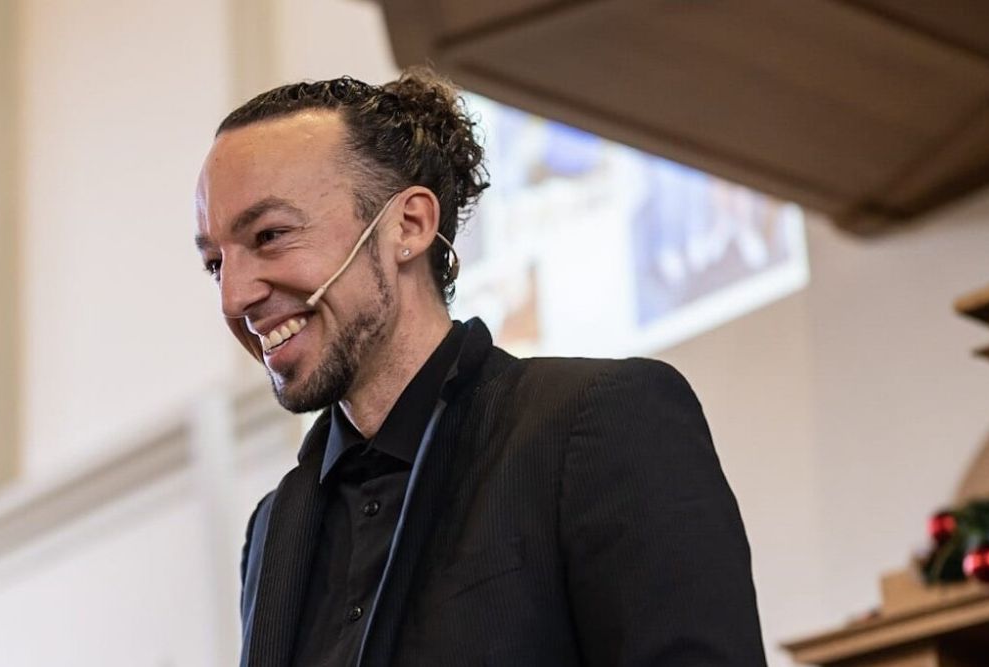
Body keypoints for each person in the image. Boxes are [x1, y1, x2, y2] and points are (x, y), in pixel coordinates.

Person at [192, 69, 765, 666]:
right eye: (214, 264)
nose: (234, 297)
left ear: (409, 225)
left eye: (270, 235)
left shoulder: (599, 421)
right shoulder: (274, 530)